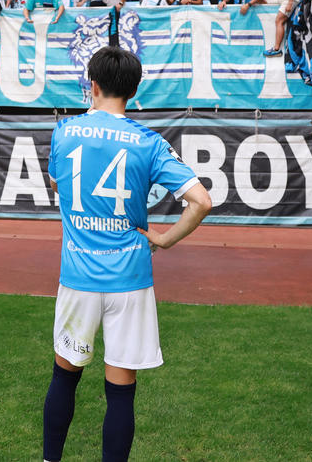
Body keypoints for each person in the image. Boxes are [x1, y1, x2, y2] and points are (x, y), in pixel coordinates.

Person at [41, 46, 213, 462]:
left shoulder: (65, 131)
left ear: (92, 85)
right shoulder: (148, 142)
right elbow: (202, 201)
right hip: (131, 278)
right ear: (133, 92)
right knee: (120, 388)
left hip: (79, 276)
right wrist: (165, 239)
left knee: (65, 376)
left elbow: (55, 182)